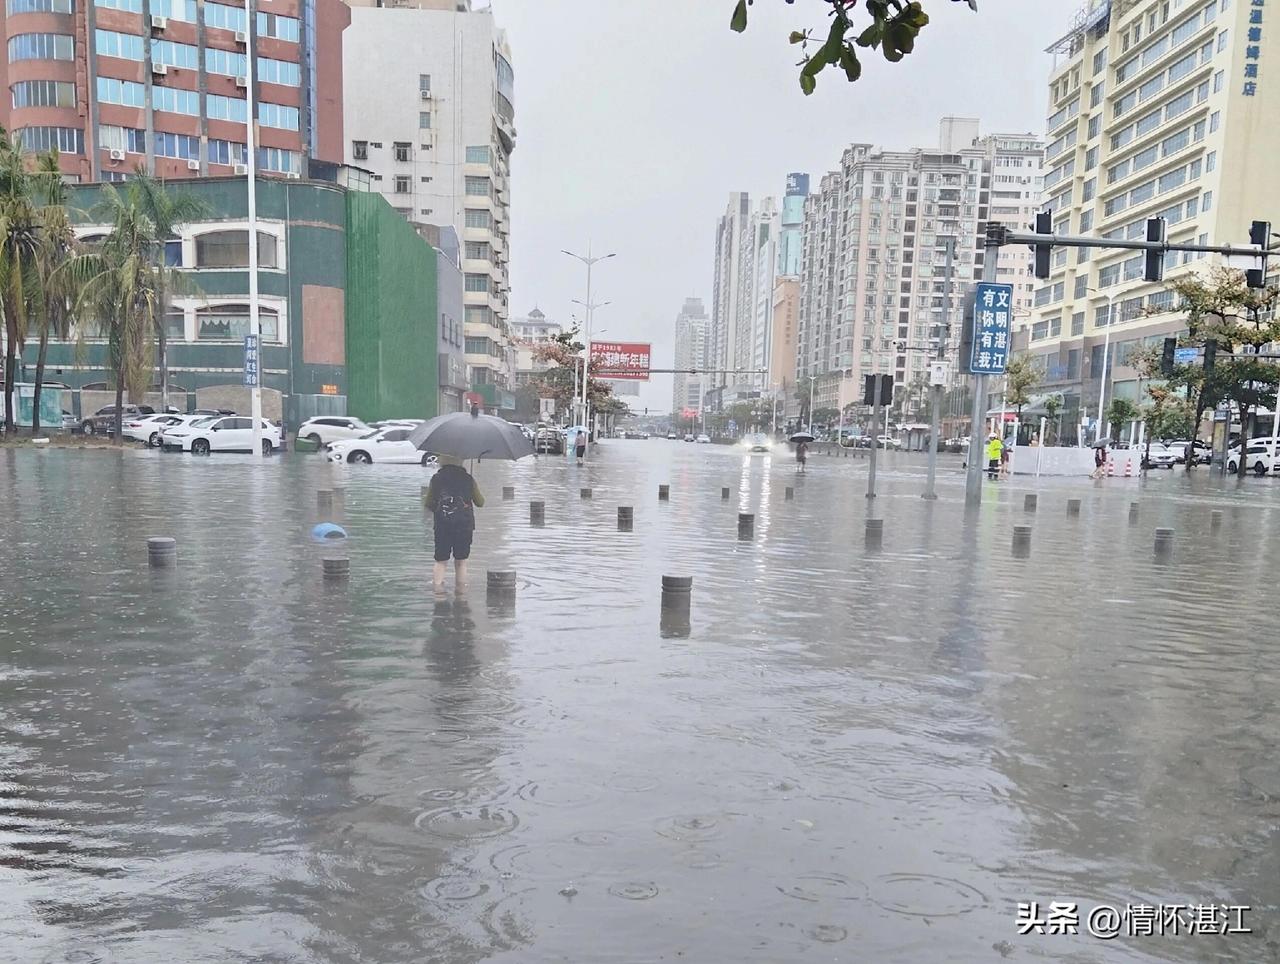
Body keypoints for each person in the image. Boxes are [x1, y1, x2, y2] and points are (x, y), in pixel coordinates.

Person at [424, 455, 485, 591]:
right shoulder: (468, 479)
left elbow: (428, 503)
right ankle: (461, 596)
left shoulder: (436, 479)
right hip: (464, 525)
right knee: (461, 561)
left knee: (441, 561)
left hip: (442, 524)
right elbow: (480, 502)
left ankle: (438, 595)